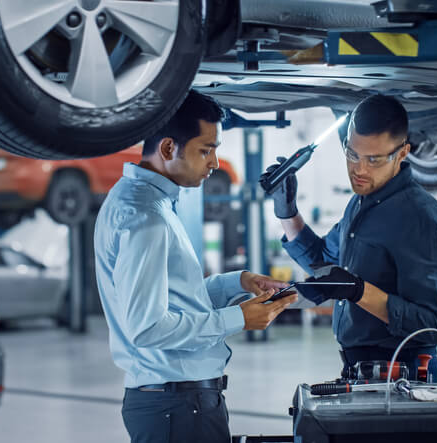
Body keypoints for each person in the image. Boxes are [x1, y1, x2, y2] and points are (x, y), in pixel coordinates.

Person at [95, 90, 296, 443]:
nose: (215, 163)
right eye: (206, 150)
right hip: (177, 406)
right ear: (169, 149)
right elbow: (147, 327)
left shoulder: (138, 200)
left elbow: (170, 298)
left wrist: (239, 281)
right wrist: (238, 319)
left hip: (176, 403)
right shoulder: (147, 217)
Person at [260, 95, 437, 382]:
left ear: (403, 154)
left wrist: (358, 291)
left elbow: (434, 326)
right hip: (361, 372)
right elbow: (325, 263)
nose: (360, 170)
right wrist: (287, 212)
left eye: (374, 160)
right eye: (352, 154)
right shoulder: (361, 203)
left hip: (404, 377)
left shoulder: (419, 218)